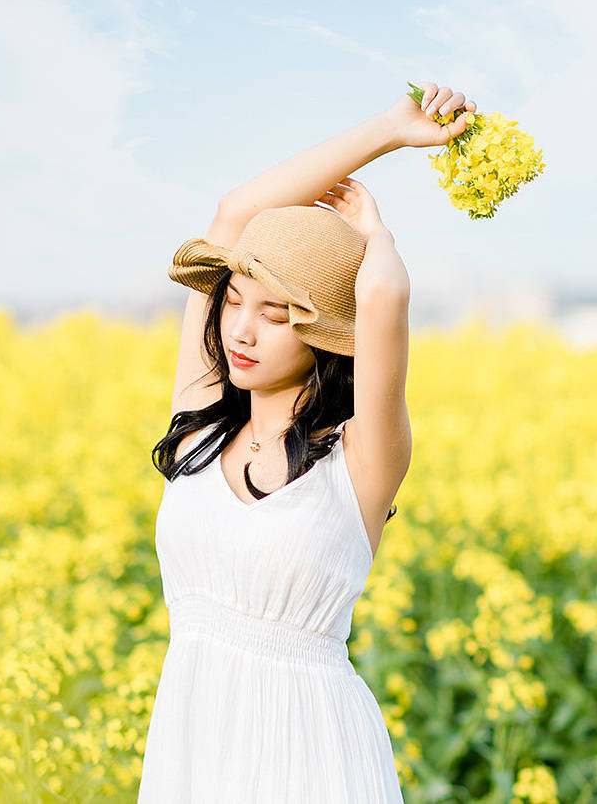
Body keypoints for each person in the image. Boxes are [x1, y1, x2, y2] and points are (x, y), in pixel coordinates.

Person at [137, 81, 477, 803]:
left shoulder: (358, 464)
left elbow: (383, 297)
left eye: (275, 312)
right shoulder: (198, 420)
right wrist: (390, 127)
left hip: (314, 758)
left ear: (324, 333)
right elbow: (235, 213)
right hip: (192, 751)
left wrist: (375, 233)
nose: (241, 329)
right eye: (232, 300)